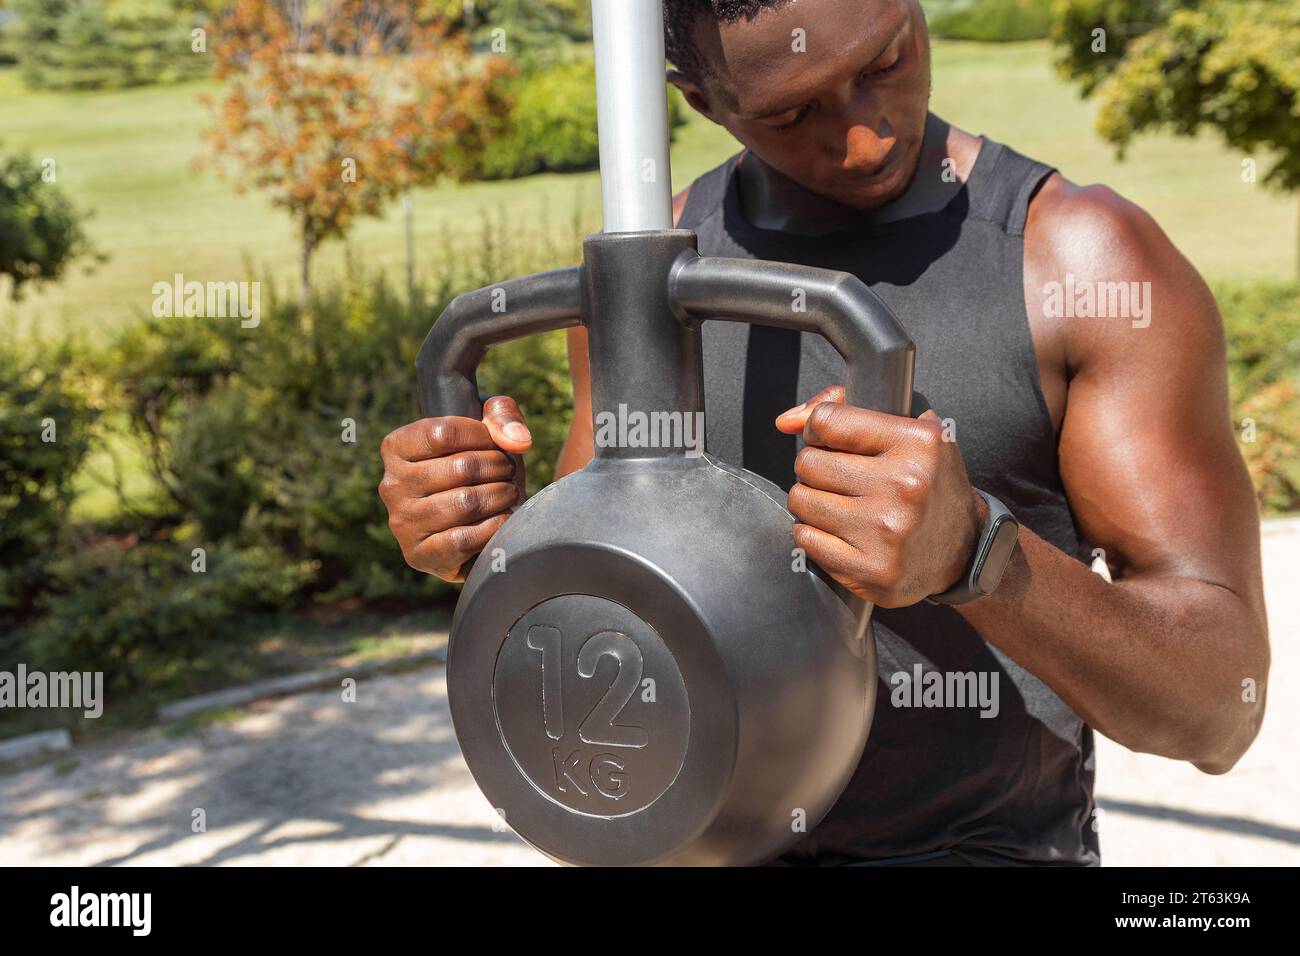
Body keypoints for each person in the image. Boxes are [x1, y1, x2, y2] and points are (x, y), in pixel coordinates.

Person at [377, 0, 1270, 865]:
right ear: (705, 103)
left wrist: (976, 554)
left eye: (886, 59)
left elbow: (1219, 711)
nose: (870, 135)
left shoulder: (1082, 262)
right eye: (793, 111)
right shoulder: (642, 281)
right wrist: (484, 529)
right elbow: (597, 612)